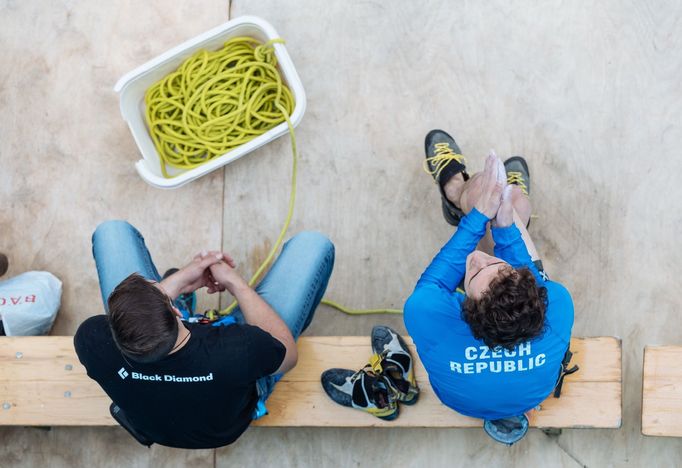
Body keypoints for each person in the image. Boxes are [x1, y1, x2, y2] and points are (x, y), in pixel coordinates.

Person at [74, 221, 334, 449]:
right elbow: (286, 355)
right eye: (162, 291)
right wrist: (236, 284)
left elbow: (125, 319)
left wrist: (184, 277)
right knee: (314, 245)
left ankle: (175, 304)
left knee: (112, 231)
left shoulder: (92, 340)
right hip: (228, 418)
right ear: (175, 311)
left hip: (156, 424)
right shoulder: (242, 348)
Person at [404, 130, 574, 444]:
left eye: (474, 274)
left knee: (485, 191)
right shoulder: (558, 305)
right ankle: (509, 201)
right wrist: (505, 224)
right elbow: (533, 283)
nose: (477, 258)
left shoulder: (428, 314)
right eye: (496, 264)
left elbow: (434, 283)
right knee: (516, 205)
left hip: (459, 402)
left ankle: (458, 193)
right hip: (488, 400)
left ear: (463, 310)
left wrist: (481, 213)